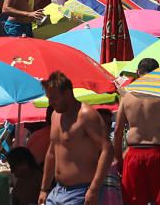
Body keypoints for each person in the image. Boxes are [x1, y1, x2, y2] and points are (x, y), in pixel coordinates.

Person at [113, 58, 160, 205]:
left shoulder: (127, 96)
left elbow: (117, 131)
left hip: (134, 154)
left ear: (137, 73)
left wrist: (119, 159)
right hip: (158, 153)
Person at [39, 71, 112, 205]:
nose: (50, 103)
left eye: (54, 98)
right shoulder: (55, 116)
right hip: (57, 190)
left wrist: (94, 189)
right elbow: (51, 153)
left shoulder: (86, 115)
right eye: (49, 98)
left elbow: (107, 150)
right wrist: (44, 188)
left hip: (81, 192)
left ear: (67, 93)